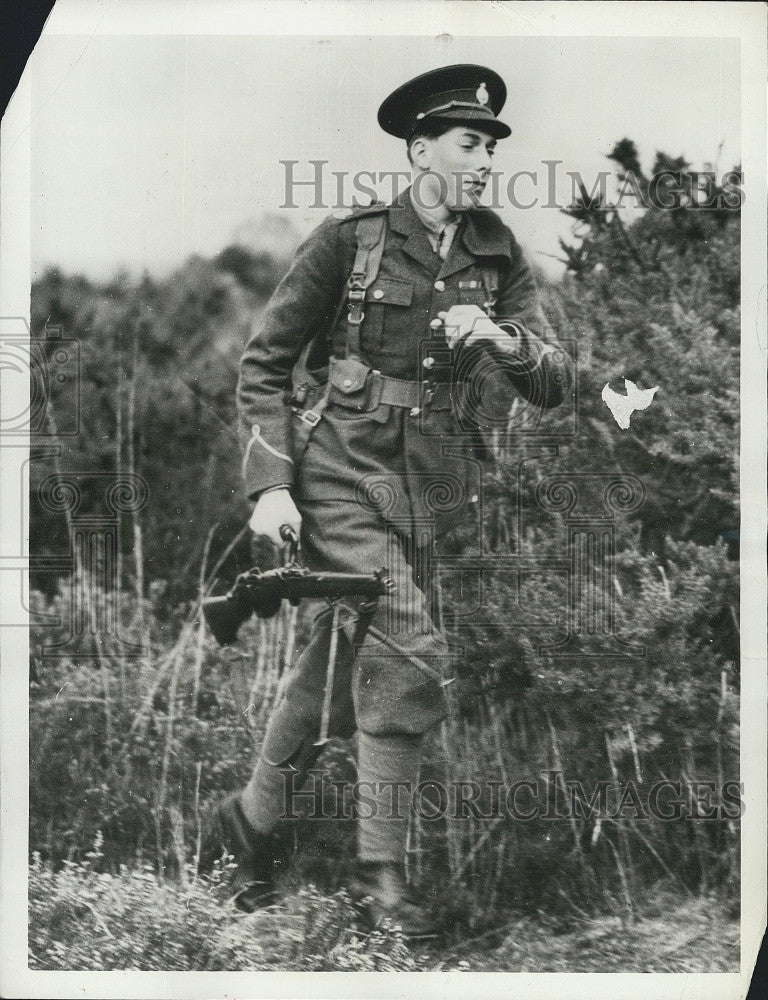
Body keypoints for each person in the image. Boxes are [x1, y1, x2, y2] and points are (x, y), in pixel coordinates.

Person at [207, 64, 573, 936]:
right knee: (407, 645)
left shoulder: (496, 251)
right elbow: (264, 364)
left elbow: (556, 379)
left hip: (426, 493)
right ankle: (384, 885)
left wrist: (501, 335)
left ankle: (249, 829)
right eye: (466, 143)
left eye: (490, 145)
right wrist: (271, 488)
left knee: (334, 671)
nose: (483, 160)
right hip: (336, 471)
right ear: (420, 149)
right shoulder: (353, 238)